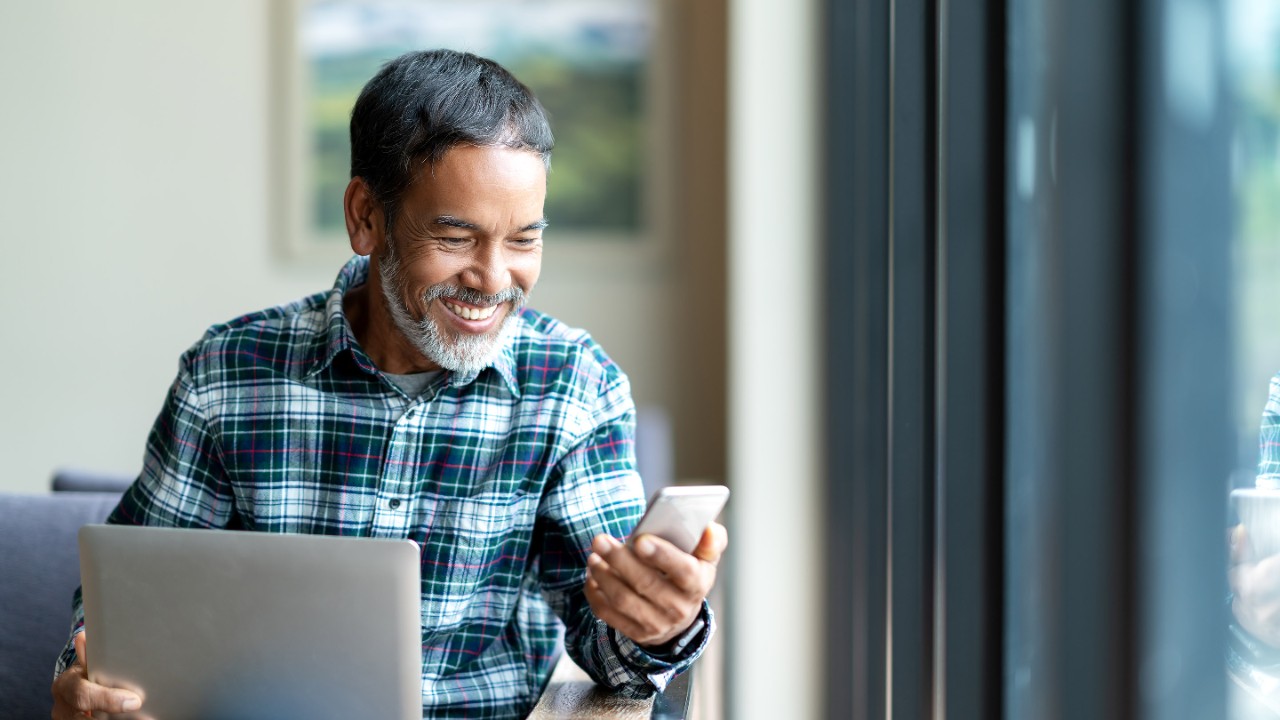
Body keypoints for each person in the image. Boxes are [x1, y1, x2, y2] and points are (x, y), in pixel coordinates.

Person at [49, 49, 726, 720]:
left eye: (523, 240)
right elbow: (133, 608)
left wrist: (657, 623)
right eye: (456, 238)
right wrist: (89, 673)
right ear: (366, 217)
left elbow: (611, 656)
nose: (493, 279)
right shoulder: (227, 377)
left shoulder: (575, 385)